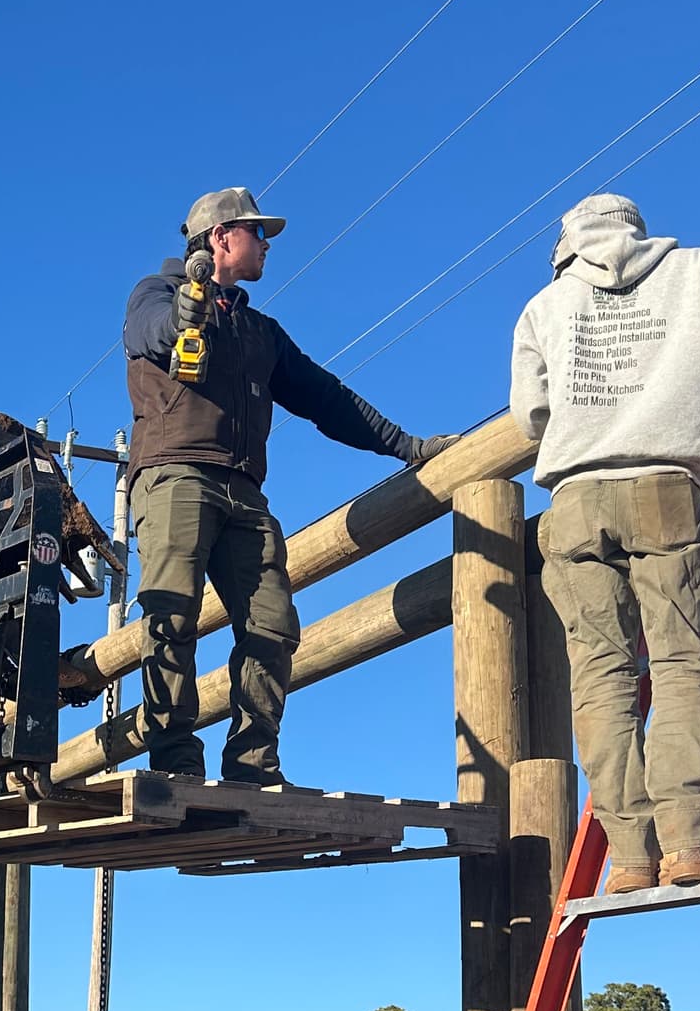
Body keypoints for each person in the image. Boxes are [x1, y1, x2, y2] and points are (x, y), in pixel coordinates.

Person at [512, 193, 700, 891]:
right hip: (670, 485)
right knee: (679, 665)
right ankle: (685, 845)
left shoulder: (543, 308)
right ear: (635, 231)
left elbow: (532, 416)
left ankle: (631, 857)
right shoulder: (697, 268)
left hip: (576, 500)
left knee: (603, 680)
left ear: (568, 244)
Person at [124, 187, 455, 785]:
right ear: (222, 238)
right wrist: (185, 313)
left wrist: (409, 447)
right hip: (175, 476)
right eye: (258, 233)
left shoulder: (259, 331)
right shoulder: (156, 294)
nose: (268, 244)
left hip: (243, 493)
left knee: (273, 626)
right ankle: (174, 763)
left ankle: (253, 764)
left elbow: (328, 399)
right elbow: (151, 332)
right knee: (171, 617)